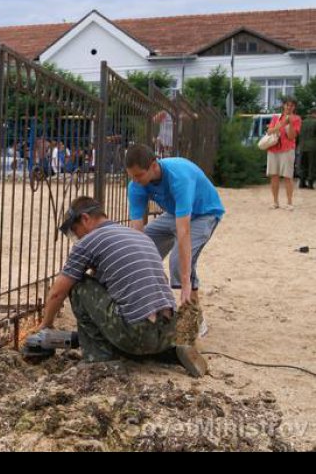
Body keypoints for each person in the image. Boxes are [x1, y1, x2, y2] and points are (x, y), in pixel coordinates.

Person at [36, 196, 208, 377]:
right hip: (169, 330)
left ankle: (99, 358)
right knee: (134, 316)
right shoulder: (140, 236)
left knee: (78, 285)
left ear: (85, 218)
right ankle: (172, 352)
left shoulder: (89, 241)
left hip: (135, 335)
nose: (77, 237)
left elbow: (57, 293)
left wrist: (45, 326)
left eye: (75, 230)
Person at [125, 144, 225, 337]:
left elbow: (184, 230)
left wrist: (185, 282)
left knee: (178, 262)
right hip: (174, 214)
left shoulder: (178, 177)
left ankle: (194, 317)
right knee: (142, 249)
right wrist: (143, 262)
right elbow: (137, 232)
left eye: (139, 175)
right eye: (132, 176)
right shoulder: (136, 186)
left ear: (154, 166)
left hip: (204, 213)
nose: (135, 181)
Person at [266, 97, 302, 210]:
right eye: (287, 105)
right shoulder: (276, 117)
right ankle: (275, 202)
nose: (289, 107)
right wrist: (282, 123)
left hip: (287, 150)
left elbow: (292, 136)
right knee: (274, 176)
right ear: (284, 106)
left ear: (294, 107)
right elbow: (269, 131)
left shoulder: (297, 119)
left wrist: (290, 123)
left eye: (291, 105)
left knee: (288, 176)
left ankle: (289, 203)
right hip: (273, 149)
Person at [297, 107, 315, 190]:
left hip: (302, 146)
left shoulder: (302, 122)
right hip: (312, 147)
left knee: (302, 165)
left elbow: (298, 134)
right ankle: (310, 183)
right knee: (312, 165)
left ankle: (302, 182)